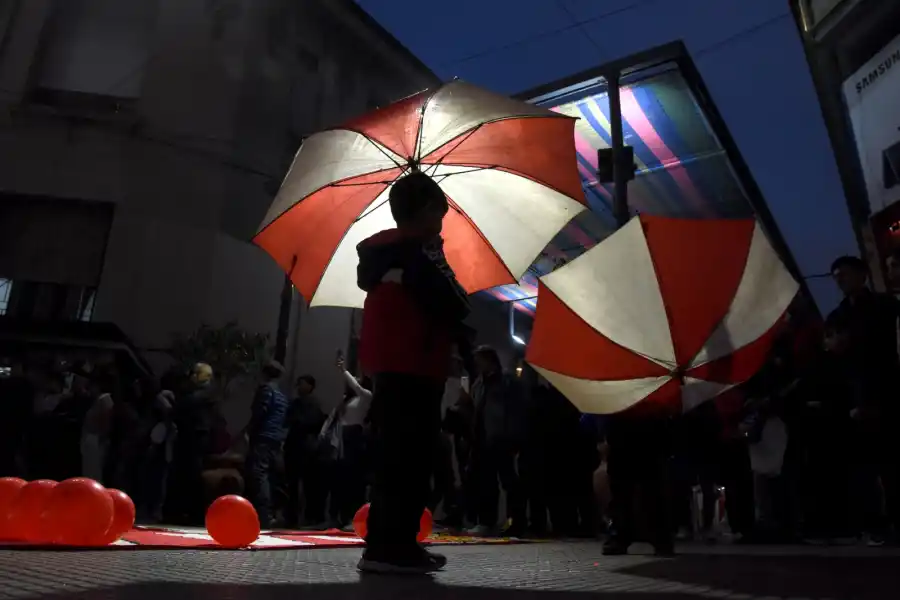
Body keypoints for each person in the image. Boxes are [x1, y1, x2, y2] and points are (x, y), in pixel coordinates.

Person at [355, 170, 473, 574]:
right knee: (409, 462)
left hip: (392, 366)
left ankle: (389, 544)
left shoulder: (386, 255)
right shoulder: (416, 255)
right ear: (424, 211)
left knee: (396, 459)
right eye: (439, 214)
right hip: (415, 367)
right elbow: (457, 304)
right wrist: (435, 256)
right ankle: (393, 548)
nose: (441, 224)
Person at [828, 255, 900, 543]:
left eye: (844, 274)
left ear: (862, 275)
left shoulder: (885, 307)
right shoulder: (838, 314)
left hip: (886, 393)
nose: (840, 280)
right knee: (864, 467)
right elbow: (832, 351)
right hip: (853, 396)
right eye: (836, 276)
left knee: (891, 464)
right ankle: (873, 525)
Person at [467, 346, 529, 537]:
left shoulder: (506, 382)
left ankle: (517, 521)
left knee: (508, 481)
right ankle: (487, 521)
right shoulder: (480, 384)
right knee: (487, 482)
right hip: (482, 439)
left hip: (501, 438)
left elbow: (516, 410)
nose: (478, 365)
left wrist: (514, 436)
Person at [166, 362, 219, 524]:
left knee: (185, 476)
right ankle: (193, 513)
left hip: (190, 439)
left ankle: (180, 513)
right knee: (194, 477)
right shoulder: (210, 396)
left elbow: (177, 413)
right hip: (201, 440)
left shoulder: (195, 397)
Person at [245, 360, 289, 528]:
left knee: (258, 476)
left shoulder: (265, 391)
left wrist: (249, 432)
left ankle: (262, 516)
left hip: (262, 438)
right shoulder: (282, 397)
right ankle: (274, 514)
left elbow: (258, 414)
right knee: (272, 477)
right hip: (275, 440)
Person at [283, 375, 327, 528]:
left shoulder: (310, 404)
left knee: (306, 484)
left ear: (310, 386)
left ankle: (305, 516)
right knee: (295, 484)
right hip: (299, 447)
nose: (299, 387)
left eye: (302, 384)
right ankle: (295, 516)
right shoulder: (300, 403)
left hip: (304, 448)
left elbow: (307, 422)